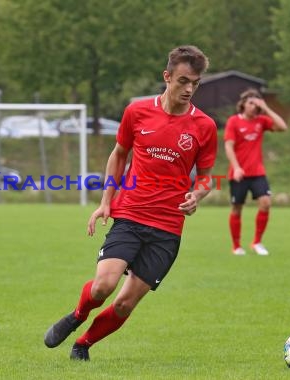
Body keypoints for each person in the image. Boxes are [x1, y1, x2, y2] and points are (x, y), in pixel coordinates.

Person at [43, 45, 218, 361]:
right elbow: (119, 154)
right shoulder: (137, 112)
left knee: (124, 304)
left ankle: (83, 344)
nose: (189, 88)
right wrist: (105, 201)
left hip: (167, 229)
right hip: (131, 214)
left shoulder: (204, 126)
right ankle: (77, 315)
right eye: (183, 80)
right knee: (102, 288)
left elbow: (205, 176)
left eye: (195, 82)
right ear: (167, 77)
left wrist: (198, 195)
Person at [224, 88, 288, 256]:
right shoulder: (233, 121)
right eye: (251, 102)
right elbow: (228, 146)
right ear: (243, 104)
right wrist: (237, 167)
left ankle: (257, 242)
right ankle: (236, 246)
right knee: (237, 208)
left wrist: (266, 108)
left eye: (257, 103)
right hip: (239, 173)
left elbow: (283, 127)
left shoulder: (261, 121)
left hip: (258, 172)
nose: (254, 106)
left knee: (266, 203)